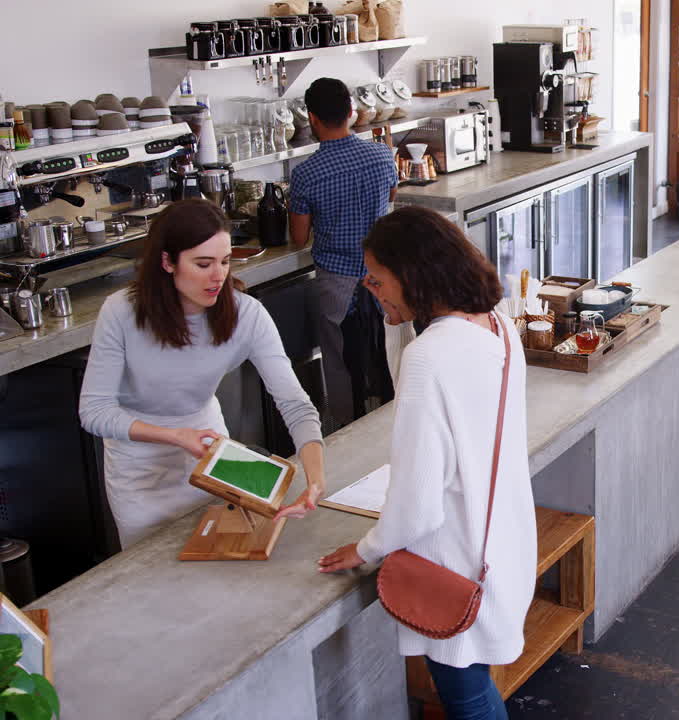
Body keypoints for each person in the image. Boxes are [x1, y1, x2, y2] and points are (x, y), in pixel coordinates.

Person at [318, 207, 535, 720]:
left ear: (412, 275)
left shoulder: (428, 357)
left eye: (378, 277)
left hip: (455, 564)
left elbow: (417, 501)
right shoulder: (499, 327)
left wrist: (366, 548)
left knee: (466, 700)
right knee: (473, 690)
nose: (371, 289)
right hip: (503, 547)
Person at [80, 200, 325, 549]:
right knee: (149, 574)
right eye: (203, 264)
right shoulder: (121, 312)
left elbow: (295, 404)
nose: (218, 276)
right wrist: (177, 436)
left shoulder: (247, 315)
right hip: (139, 468)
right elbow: (94, 412)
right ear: (167, 262)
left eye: (225, 261)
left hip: (210, 453)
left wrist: (315, 479)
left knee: (218, 555)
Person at [290, 77, 399, 428]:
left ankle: (345, 442)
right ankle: (392, 428)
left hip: (337, 285)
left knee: (340, 368)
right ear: (352, 113)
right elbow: (391, 199)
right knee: (386, 357)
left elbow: (298, 237)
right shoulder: (382, 154)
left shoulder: (306, 173)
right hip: (383, 279)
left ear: (312, 119)